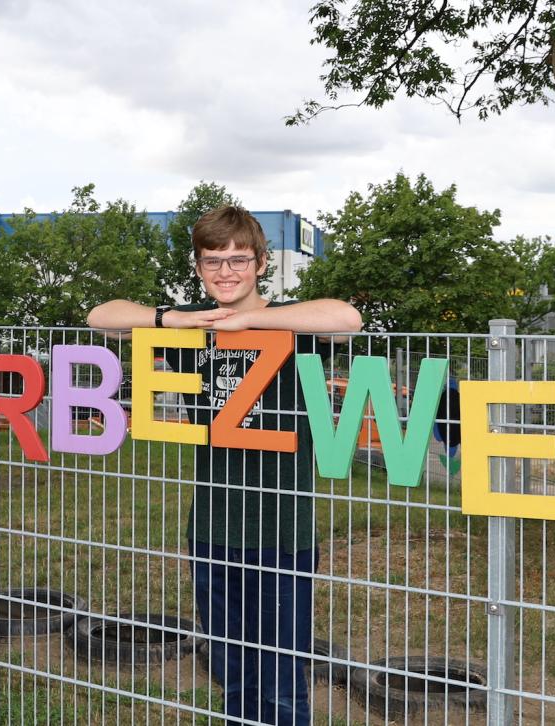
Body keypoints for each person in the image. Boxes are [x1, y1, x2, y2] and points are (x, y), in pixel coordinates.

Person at [87, 206, 361, 725]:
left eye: (238, 260)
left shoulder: (290, 323)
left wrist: (252, 319)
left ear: (261, 263)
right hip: (213, 529)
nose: (226, 272)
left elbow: (347, 319)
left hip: (283, 530)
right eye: (213, 262)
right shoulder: (193, 327)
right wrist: (171, 319)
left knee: (282, 683)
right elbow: (101, 316)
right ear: (198, 267)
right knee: (233, 677)